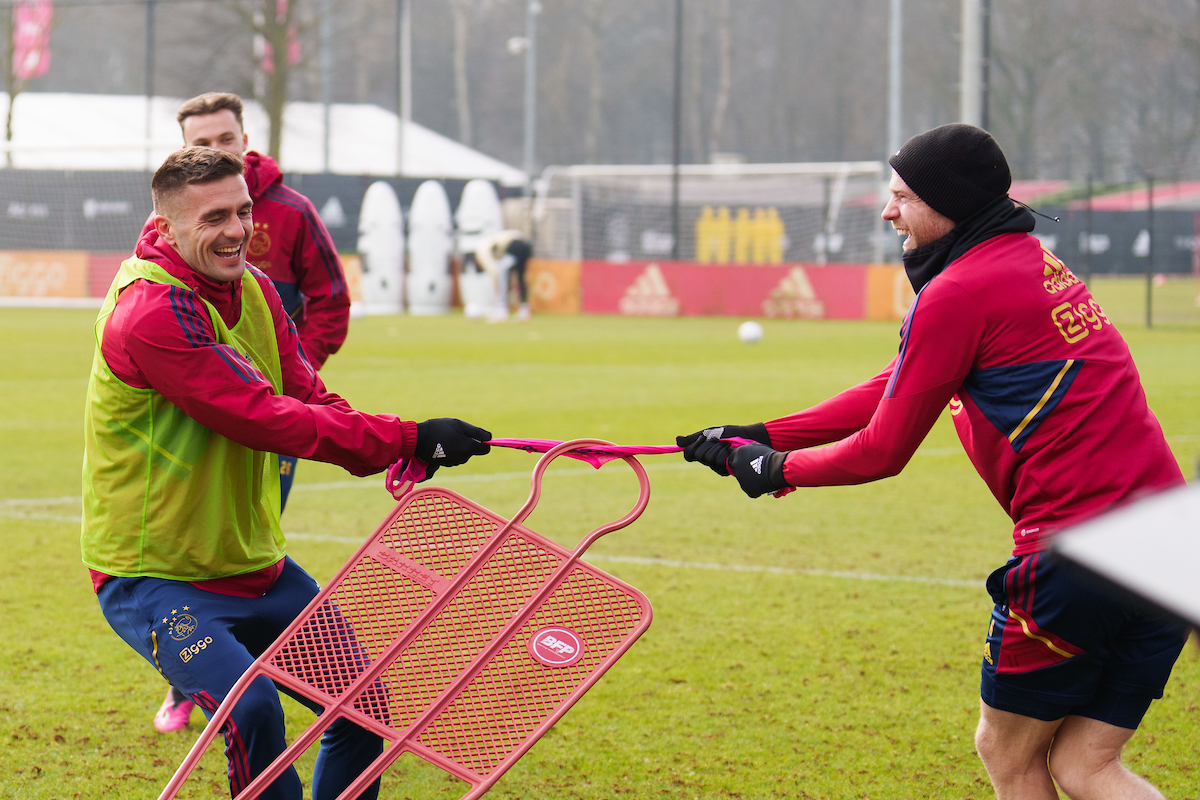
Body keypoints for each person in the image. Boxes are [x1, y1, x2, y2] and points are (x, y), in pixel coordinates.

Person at [677, 124, 1187, 800]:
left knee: (1006, 755)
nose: (888, 212)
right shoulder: (1027, 258)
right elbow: (902, 381)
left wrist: (772, 470)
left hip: (1078, 556)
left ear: (949, 202)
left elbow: (885, 449)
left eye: (902, 196)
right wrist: (766, 433)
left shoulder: (957, 292)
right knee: (1085, 767)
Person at [82, 146, 491, 800]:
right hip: (155, 574)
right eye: (214, 217)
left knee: (364, 707)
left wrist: (404, 444)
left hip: (255, 564)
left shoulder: (256, 288)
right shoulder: (152, 311)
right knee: (252, 710)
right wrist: (403, 436)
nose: (238, 230)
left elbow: (308, 396)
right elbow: (261, 416)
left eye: (243, 211)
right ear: (165, 228)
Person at [146, 91, 349, 732]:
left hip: (274, 405)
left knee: (250, 522)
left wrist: (295, 373)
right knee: (194, 529)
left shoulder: (290, 212)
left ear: (244, 138)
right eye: (198, 142)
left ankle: (245, 671)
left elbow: (330, 299)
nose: (213, 151)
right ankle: (199, 677)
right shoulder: (177, 221)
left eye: (224, 139)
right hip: (206, 401)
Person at [474, 229, 533, 322]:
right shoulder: (490, 244)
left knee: (503, 277)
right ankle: (524, 311)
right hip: (525, 245)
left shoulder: (481, 250)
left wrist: (496, 286)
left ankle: (501, 311)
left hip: (513, 246)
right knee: (520, 278)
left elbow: (493, 271)